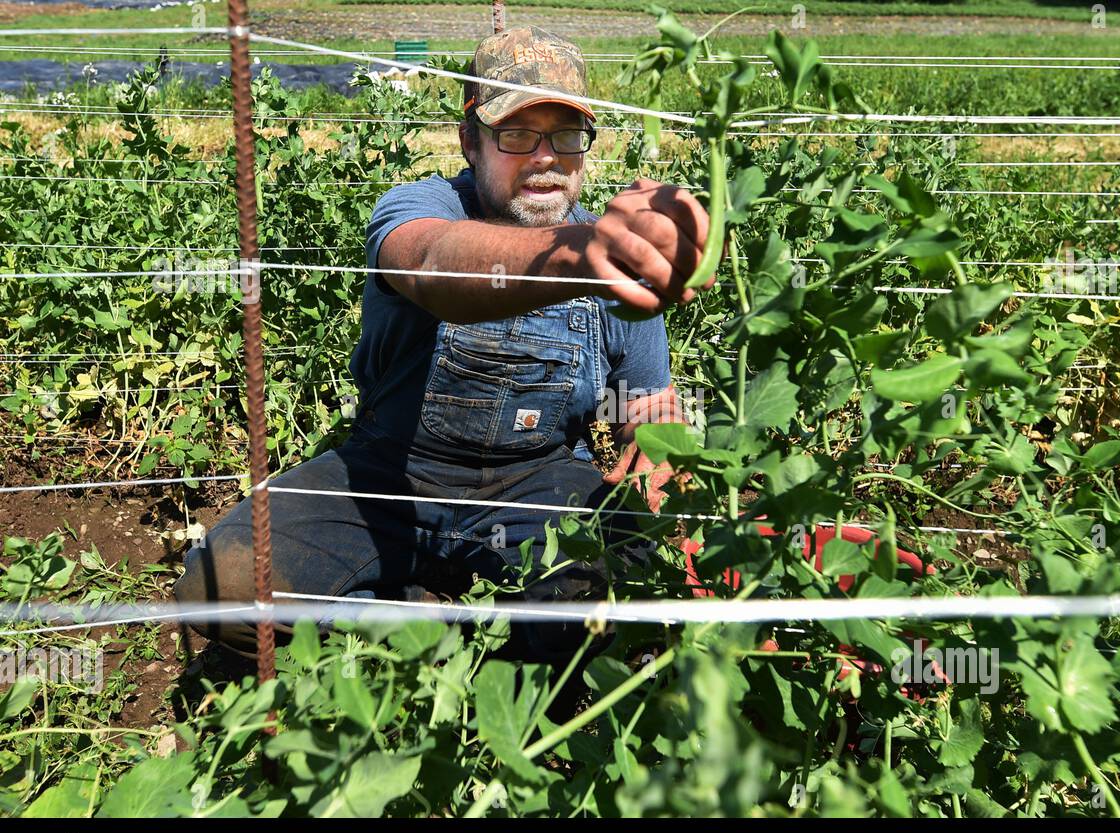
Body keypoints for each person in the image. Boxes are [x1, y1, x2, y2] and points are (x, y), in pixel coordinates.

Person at [172, 26, 716, 664]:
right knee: (223, 589)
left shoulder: (614, 260)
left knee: (623, 580)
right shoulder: (422, 208)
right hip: (389, 476)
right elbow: (437, 265)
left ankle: (420, 630)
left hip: (540, 485)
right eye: (517, 134)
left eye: (567, 136)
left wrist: (658, 448)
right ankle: (466, 632)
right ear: (470, 141)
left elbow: (645, 403)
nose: (546, 157)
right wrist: (582, 256)